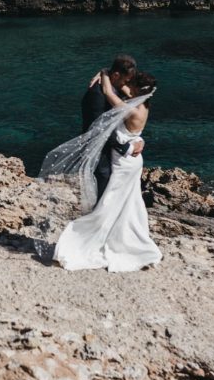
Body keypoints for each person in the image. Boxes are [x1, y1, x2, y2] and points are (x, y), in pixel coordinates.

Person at [42, 70, 161, 272]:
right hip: (133, 159)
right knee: (128, 201)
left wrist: (104, 74)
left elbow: (107, 91)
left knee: (112, 201)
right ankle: (127, 239)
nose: (126, 87)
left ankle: (100, 239)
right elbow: (122, 87)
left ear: (136, 91)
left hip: (125, 162)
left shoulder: (132, 109)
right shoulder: (142, 103)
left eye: (130, 86)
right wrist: (107, 72)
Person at [80, 55, 143, 198]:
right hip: (99, 147)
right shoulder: (96, 94)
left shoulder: (116, 86)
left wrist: (104, 71)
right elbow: (98, 127)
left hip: (113, 145)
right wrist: (125, 147)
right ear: (116, 75)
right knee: (104, 176)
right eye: (125, 80)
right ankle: (99, 215)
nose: (126, 85)